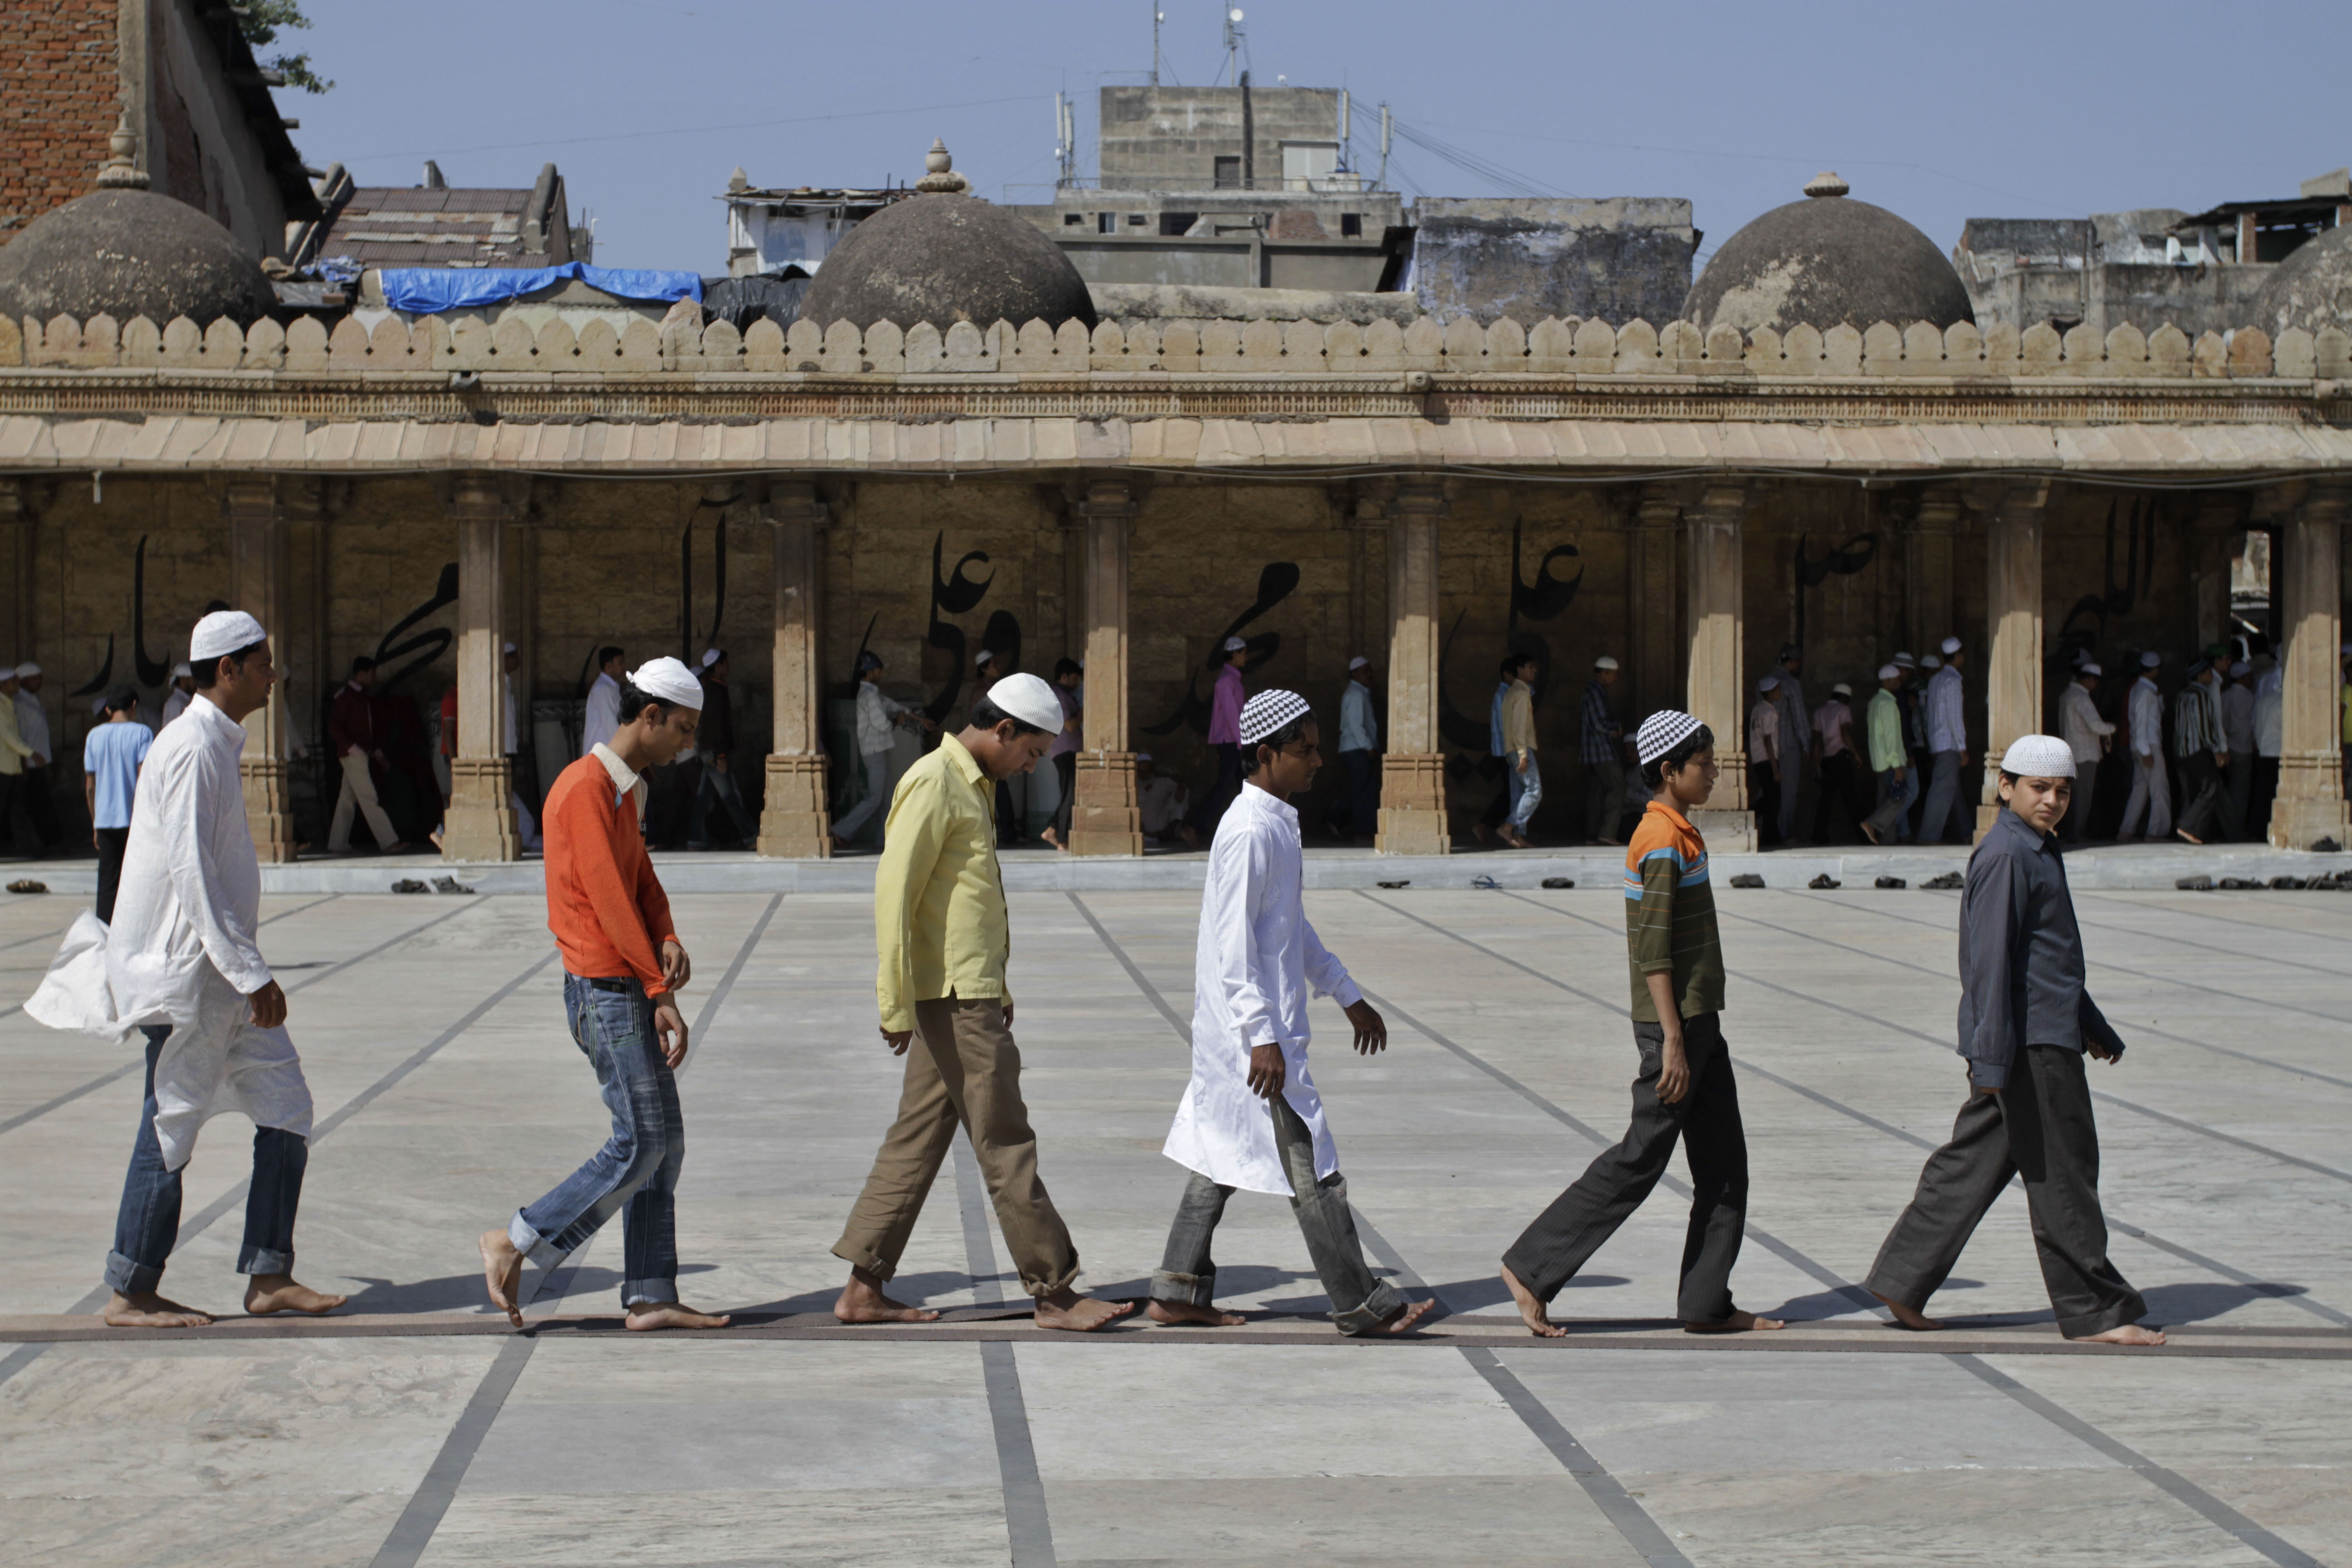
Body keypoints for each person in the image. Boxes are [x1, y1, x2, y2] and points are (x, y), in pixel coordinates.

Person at [50, 611, 344, 1328]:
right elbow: (191, 870)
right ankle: (131, 1288)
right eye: (264, 663)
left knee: (288, 1109)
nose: (274, 674)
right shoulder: (189, 748)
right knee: (171, 1124)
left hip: (221, 977)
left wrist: (243, 971)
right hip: (191, 978)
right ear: (229, 670)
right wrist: (250, 972)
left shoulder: (212, 742)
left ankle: (270, 1275)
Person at [831, 672, 1131, 1333]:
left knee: (915, 1141)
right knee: (1005, 1138)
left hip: (967, 992)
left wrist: (999, 985)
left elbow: (962, 905)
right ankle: (1053, 1290)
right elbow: (896, 894)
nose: (1033, 765)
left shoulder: (972, 784)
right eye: (1032, 750)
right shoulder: (935, 782)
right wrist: (893, 1003)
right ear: (1002, 730)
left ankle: (862, 1287)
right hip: (953, 1002)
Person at [1149, 690, 1435, 1336]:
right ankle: (1359, 1300)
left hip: (1257, 1029)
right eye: (1304, 750)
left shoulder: (1275, 820)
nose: (1318, 760)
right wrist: (1260, 1036)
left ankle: (1177, 1286)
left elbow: (1287, 927)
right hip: (1252, 1033)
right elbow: (1234, 943)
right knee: (1312, 1165)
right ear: (1267, 754)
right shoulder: (1250, 829)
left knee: (1219, 1151)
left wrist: (1346, 992)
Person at [1864, 735, 2165, 1347]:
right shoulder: (2006, 856)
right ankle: (2094, 1311)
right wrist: (1992, 1058)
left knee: (1970, 1165)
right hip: (2027, 1047)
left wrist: (2093, 1027)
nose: (2052, 801)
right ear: (2006, 787)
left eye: (2062, 791)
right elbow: (1991, 966)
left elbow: (2046, 961)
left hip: (2040, 1034)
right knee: (2063, 1172)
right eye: (2039, 789)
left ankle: (1902, 1277)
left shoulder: (2037, 848)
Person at [1500, 710, 1782, 1338]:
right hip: (1675, 1029)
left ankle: (1706, 1303)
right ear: (1668, 771)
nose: (1713, 775)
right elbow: (1652, 952)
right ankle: (1531, 1267)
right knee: (1641, 1157)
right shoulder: (1659, 841)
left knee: (1724, 1165)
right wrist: (1674, 1043)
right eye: (1704, 766)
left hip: (1698, 1023)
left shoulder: (1679, 832)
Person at [477, 657, 730, 1333]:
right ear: (648, 716)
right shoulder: (585, 788)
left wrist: (668, 934)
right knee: (640, 1140)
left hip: (624, 983)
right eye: (683, 727)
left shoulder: (626, 789)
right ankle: (519, 1238)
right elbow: (609, 898)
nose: (688, 741)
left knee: (663, 1144)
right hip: (604, 989)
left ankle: (650, 1293)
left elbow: (641, 879)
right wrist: (658, 990)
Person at [832, 652, 931, 848]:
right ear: (869, 673)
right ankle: (840, 830)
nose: (881, 673)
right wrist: (897, 721)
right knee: (875, 798)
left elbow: (894, 705)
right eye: (878, 670)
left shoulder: (872, 694)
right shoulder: (869, 696)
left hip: (877, 750)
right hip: (874, 751)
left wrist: (921, 720)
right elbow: (882, 725)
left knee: (886, 798)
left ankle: (883, 840)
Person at [325, 656, 410, 855]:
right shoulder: (346, 696)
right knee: (369, 798)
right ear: (361, 674)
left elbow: (364, 730)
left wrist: (373, 752)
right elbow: (335, 727)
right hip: (353, 754)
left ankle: (337, 843)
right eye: (371, 675)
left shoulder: (360, 695)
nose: (374, 678)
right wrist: (352, 747)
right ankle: (388, 842)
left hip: (358, 753)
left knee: (347, 800)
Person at [83, 685, 152, 924]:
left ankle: (104, 934)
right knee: (136, 882)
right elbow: (145, 778)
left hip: (104, 821)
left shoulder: (94, 736)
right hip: (134, 820)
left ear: (109, 709)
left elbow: (90, 786)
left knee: (107, 884)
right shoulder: (142, 733)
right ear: (134, 706)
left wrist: (95, 822)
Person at [688, 649, 760, 850]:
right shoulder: (715, 690)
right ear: (718, 667)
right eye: (725, 664)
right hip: (713, 752)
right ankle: (751, 837)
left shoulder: (712, 689)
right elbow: (715, 725)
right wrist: (720, 754)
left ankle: (695, 839)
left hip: (707, 750)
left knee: (703, 799)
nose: (728, 668)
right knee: (730, 796)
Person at [2171, 658, 2229, 846]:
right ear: (2201, 675)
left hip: (2182, 751)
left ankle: (2192, 834)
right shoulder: (2201, 696)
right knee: (2210, 787)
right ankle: (2188, 827)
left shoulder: (2182, 695)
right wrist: (2217, 751)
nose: (2212, 676)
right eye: (2209, 673)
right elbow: (2205, 728)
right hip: (2198, 750)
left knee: (2192, 792)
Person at [2116, 652, 2172, 842]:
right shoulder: (2145, 692)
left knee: (2140, 790)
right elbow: (2140, 724)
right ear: (2155, 670)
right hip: (2148, 746)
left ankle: (2126, 830)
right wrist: (2146, 751)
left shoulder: (2141, 690)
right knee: (2160, 790)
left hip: (2140, 745)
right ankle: (2156, 832)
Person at [1919, 637, 1969, 845]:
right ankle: (1928, 837)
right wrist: (1963, 748)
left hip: (1938, 743)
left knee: (1953, 790)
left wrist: (1931, 743)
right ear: (1958, 656)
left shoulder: (1935, 680)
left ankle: (1966, 833)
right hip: (1949, 744)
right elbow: (1955, 718)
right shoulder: (1953, 681)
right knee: (1941, 791)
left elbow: (1929, 714)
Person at [2057, 663, 2113, 844]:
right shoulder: (2081, 698)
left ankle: (2072, 831)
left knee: (2072, 796)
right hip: (2085, 753)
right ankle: (2077, 833)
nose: (2096, 685)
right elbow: (2096, 725)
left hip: (2071, 752)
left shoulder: (2066, 695)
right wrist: (2113, 728)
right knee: (2083, 797)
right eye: (2095, 681)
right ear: (2089, 679)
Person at [1859, 665, 1916, 846]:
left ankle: (1887, 841)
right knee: (1900, 796)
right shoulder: (1888, 704)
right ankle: (1872, 823)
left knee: (1885, 799)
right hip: (1891, 761)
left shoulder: (1874, 702)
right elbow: (1891, 737)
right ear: (1888, 681)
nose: (1900, 682)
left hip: (1879, 762)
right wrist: (1897, 764)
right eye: (1897, 679)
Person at [1327, 655, 1380, 843]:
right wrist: (1369, 747)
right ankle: (1359, 830)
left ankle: (1338, 819)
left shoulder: (1359, 693)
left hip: (1354, 748)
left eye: (1369, 670)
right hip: (1357, 748)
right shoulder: (1356, 694)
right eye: (1365, 670)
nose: (1369, 674)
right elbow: (1358, 726)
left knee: (1361, 789)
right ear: (1354, 673)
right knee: (1363, 791)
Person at [1200, 636, 1249, 834]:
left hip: (1234, 742)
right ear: (1235, 654)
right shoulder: (1226, 681)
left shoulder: (1231, 679)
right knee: (1226, 787)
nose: (1246, 658)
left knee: (1245, 787)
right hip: (1231, 742)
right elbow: (1231, 715)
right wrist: (1241, 742)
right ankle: (1195, 826)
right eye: (1244, 654)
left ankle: (1253, 827)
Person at [1810, 681, 1865, 843]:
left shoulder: (1820, 712)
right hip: (1841, 757)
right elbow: (1844, 732)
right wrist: (1856, 754)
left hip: (1827, 760)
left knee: (1826, 799)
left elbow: (1818, 740)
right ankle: (1864, 835)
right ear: (1844, 698)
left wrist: (1816, 763)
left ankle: (1819, 835)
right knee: (1851, 798)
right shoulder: (1843, 709)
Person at [14, 662, 60, 848]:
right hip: (29, 765)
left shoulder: (32, 700)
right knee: (37, 805)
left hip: (39, 763)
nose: (39, 682)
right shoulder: (19, 703)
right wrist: (24, 765)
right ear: (23, 681)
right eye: (35, 678)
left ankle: (48, 842)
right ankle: (49, 842)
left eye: (40, 678)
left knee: (41, 803)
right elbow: (18, 737)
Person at [1581, 655, 1626, 845]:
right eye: (1613, 675)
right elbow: (1600, 723)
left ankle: (1592, 835)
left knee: (1597, 793)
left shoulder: (1594, 692)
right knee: (1618, 787)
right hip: (1601, 750)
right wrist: (1616, 729)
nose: (1615, 679)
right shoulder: (1595, 693)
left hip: (1593, 752)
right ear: (1605, 673)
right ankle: (1607, 833)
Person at [1770, 645, 1811, 846]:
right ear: (1793, 663)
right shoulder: (1791, 684)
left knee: (1768, 789)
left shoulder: (1767, 682)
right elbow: (1799, 717)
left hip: (1767, 746)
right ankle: (1783, 832)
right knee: (1788, 792)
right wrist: (1806, 745)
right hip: (1788, 745)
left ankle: (1763, 827)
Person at [1040, 657, 1083, 851]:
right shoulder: (1059, 695)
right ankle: (1063, 839)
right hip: (1065, 750)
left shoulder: (1065, 694)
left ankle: (1053, 829)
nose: (1077, 683)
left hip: (1069, 751)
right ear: (1064, 677)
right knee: (1070, 795)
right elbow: (1070, 725)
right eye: (1074, 678)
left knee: (1070, 794)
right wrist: (1085, 710)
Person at [1499, 653, 1540, 848]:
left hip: (1510, 749)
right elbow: (1519, 727)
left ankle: (1519, 836)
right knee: (1534, 791)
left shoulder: (1511, 692)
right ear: (1520, 670)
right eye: (1530, 666)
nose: (1534, 671)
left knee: (1519, 793)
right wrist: (1523, 753)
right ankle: (1508, 827)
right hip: (1519, 750)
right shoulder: (1522, 694)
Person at [0, 665, 35, 856]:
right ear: (3, 685)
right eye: (14, 681)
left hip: (11, 767)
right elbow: (9, 737)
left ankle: (23, 848)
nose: (17, 685)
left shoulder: (9, 703)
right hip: (3, 767)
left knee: (17, 810)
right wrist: (31, 754)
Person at [2219, 661, 2256, 842]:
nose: (2251, 680)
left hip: (2228, 746)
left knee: (2229, 788)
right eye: (2249, 677)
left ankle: (2228, 827)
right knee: (2240, 791)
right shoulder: (2250, 698)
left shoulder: (2225, 696)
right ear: (2242, 678)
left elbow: (2222, 722)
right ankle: (2236, 829)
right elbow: (2253, 725)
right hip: (2244, 748)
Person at [1747, 674, 1781, 847]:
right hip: (1768, 759)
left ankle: (1771, 835)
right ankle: (1751, 815)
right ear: (1771, 692)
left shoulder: (1757, 709)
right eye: (1777, 690)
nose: (1779, 692)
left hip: (1759, 758)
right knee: (1773, 799)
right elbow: (1768, 740)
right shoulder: (1769, 713)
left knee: (1771, 798)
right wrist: (1775, 768)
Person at [1135, 752, 1197, 847]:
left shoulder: (1162, 783)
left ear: (1152, 770)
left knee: (1181, 794)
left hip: (1162, 821)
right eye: (1141, 771)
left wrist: (1180, 789)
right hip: (1141, 826)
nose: (1144, 775)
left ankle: (1172, 829)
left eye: (1147, 771)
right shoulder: (1132, 786)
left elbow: (1182, 788)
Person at [2253, 657, 2283, 835]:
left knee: (2262, 794)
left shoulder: (2264, 701)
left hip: (2265, 751)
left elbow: (2258, 727)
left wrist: (2259, 745)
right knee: (2274, 793)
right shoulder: (2284, 703)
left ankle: (2258, 829)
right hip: (2278, 752)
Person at [582, 646, 625, 759]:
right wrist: (626, 746)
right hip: (601, 755)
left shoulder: (610, 688)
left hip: (607, 753)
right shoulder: (602, 689)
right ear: (609, 666)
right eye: (620, 663)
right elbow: (611, 723)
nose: (624, 667)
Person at [160, 662, 196, 728]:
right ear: (184, 680)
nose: (195, 684)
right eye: (193, 680)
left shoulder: (184, 701)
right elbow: (176, 729)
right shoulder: (177, 703)